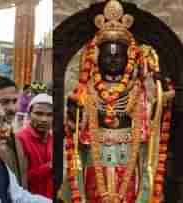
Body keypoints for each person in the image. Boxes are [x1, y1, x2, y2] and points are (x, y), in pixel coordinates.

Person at [58, 1, 175, 202]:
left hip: (128, 155)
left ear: (128, 59)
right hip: (95, 157)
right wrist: (73, 113)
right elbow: (75, 128)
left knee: (130, 193)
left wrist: (162, 97)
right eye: (107, 56)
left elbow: (151, 118)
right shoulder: (87, 90)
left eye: (118, 56)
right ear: (97, 58)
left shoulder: (138, 91)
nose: (113, 61)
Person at [16, 94, 53, 199]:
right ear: (28, 115)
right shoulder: (20, 139)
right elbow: (21, 178)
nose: (44, 119)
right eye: (38, 113)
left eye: (49, 114)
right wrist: (49, 166)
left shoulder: (53, 139)